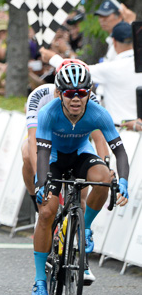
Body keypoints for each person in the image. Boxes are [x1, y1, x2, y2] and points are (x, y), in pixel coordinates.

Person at [31, 63, 129, 295]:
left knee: (105, 178)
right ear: (60, 93)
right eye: (69, 93)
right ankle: (39, 280)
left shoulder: (98, 113)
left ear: (89, 92)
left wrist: (124, 180)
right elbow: (42, 153)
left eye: (82, 93)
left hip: (80, 155)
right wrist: (42, 183)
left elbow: (121, 153)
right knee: (46, 213)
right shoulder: (48, 113)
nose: (76, 99)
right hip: (53, 158)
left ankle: (84, 227)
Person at [21, 60, 107, 200]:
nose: (75, 95)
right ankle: (35, 199)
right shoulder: (41, 94)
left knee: (82, 197)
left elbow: (99, 138)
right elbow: (32, 138)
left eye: (80, 90)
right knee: (27, 154)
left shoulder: (89, 99)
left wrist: (105, 167)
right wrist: (39, 180)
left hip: (74, 142)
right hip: (44, 138)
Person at [42, 21, 142, 128]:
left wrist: (52, 57)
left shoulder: (111, 68)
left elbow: (76, 71)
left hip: (118, 130)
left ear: (114, 42)